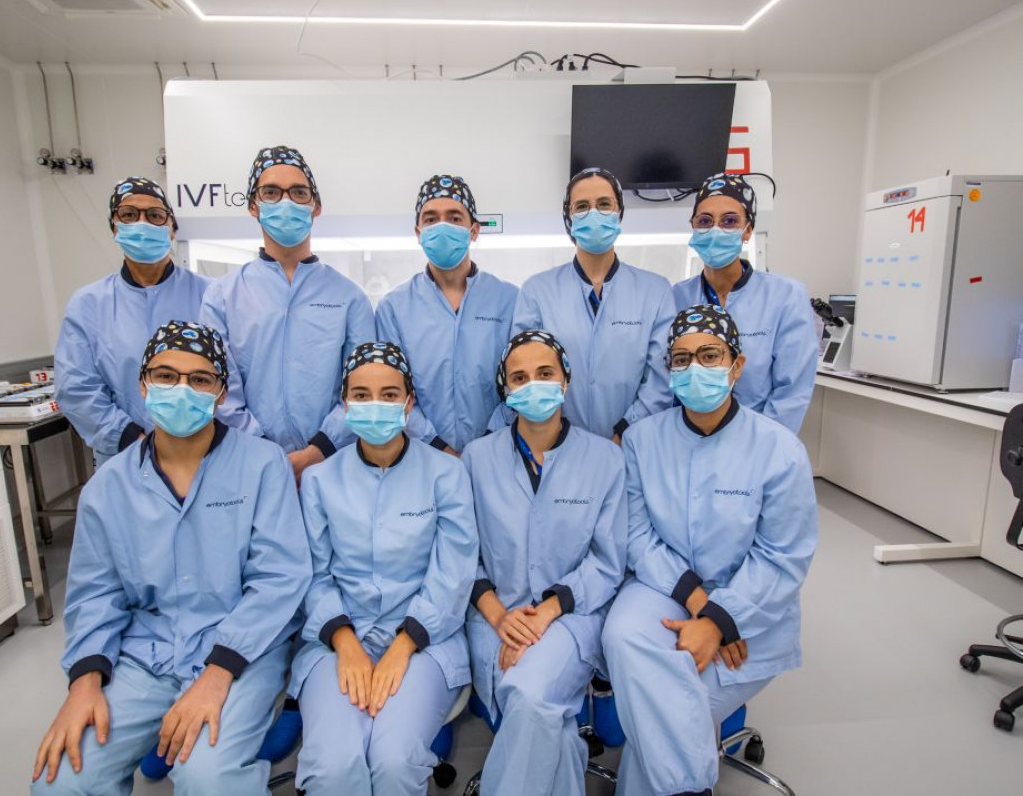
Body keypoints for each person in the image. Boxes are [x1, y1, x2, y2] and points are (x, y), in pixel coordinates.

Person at [32, 321, 310, 796]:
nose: (182, 389)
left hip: (240, 649)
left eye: (200, 379)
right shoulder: (108, 486)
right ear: (143, 385)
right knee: (61, 779)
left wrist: (218, 672)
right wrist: (84, 683)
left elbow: (280, 578)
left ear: (220, 393)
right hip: (146, 652)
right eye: (165, 376)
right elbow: (95, 595)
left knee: (208, 777)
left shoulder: (263, 465)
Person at [602, 305, 817, 796]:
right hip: (664, 587)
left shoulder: (779, 450)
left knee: (661, 709)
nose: (694, 368)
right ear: (669, 370)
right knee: (622, 636)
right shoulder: (641, 441)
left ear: (736, 365)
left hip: (752, 610)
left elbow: (783, 557)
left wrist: (722, 620)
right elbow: (637, 534)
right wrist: (702, 605)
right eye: (681, 359)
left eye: (709, 355)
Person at [290, 341, 478, 795]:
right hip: (336, 638)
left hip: (425, 639)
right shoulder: (319, 480)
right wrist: (345, 642)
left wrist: (403, 645)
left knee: (394, 760)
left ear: (409, 403)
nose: (375, 404)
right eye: (361, 394)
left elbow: (453, 575)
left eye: (389, 394)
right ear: (344, 404)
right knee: (333, 766)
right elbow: (312, 575)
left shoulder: (446, 474)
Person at [462, 330, 627, 796]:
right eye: (519, 377)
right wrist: (501, 617)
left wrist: (548, 610)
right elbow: (461, 556)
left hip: (573, 616)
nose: (533, 384)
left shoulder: (605, 459)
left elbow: (608, 561)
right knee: (550, 723)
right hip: (494, 617)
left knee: (531, 694)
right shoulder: (476, 459)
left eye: (545, 373)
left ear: (565, 380)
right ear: (506, 389)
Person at [199, 146, 375, 482]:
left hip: (332, 462)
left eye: (298, 192)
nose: (286, 202)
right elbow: (219, 388)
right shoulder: (222, 296)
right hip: (248, 462)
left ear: (315, 206)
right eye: (271, 192)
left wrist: (318, 450)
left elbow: (365, 385)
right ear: (253, 205)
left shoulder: (349, 297)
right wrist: (263, 450)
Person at [56, 177, 239, 466]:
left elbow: (232, 378)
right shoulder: (88, 305)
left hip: (205, 451)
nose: (143, 224)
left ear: (172, 228)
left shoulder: (211, 294)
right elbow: (77, 389)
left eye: (155, 215)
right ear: (115, 227)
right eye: (130, 215)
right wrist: (132, 439)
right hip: (125, 454)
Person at [511, 168, 675, 442]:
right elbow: (526, 376)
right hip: (559, 444)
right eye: (582, 206)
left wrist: (624, 433)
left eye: (604, 204)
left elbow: (660, 379)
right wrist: (561, 439)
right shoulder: (537, 291)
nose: (594, 213)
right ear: (569, 216)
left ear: (619, 212)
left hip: (632, 441)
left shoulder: (655, 290)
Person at [376, 175, 518, 453]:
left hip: (497, 451)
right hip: (422, 454)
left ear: (473, 230)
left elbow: (520, 381)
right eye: (430, 219)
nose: (442, 227)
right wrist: (438, 448)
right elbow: (391, 390)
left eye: (454, 218)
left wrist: (487, 445)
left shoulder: (509, 301)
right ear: (418, 232)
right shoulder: (394, 308)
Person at [672, 173, 817, 433]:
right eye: (705, 221)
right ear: (693, 227)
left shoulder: (785, 296)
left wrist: (761, 445)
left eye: (729, 221)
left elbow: (792, 391)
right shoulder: (676, 297)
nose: (715, 230)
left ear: (747, 230)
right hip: (687, 434)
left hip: (759, 436)